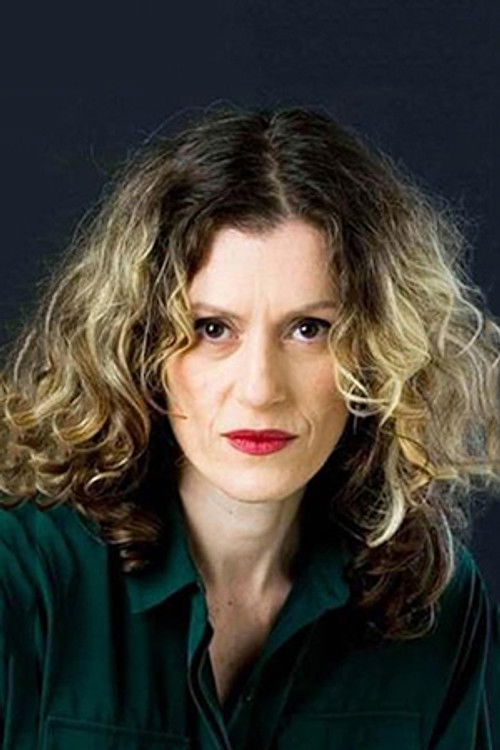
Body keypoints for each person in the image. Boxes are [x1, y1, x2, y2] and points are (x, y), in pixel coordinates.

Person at [0, 104, 499, 750]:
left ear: (380, 350)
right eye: (212, 329)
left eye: (309, 329)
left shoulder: (434, 605)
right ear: (140, 346)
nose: (260, 389)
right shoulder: (22, 577)